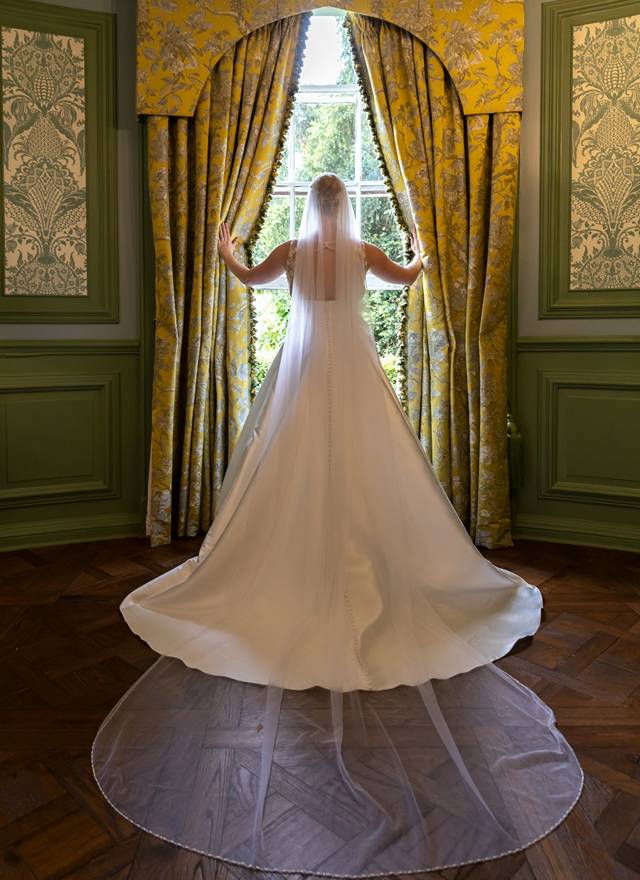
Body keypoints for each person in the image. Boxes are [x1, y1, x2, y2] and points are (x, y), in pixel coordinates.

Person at [92, 173, 583, 876]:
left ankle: (292, 563)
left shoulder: (292, 252)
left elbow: (248, 279)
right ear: (345, 205)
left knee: (288, 466)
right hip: (354, 372)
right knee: (372, 467)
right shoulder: (362, 254)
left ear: (310, 207)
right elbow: (410, 278)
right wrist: (420, 252)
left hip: (301, 371)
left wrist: (227, 250)